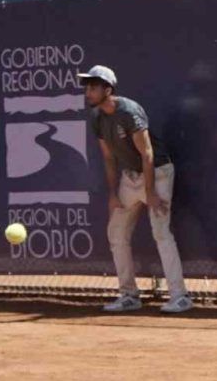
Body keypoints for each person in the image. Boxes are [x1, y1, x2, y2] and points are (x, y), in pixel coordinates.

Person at [78, 65, 193, 314]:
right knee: (116, 233)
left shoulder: (129, 111)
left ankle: (180, 296)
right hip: (129, 179)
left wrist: (150, 191)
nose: (88, 91)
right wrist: (112, 194)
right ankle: (129, 295)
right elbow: (108, 158)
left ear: (108, 89)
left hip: (158, 173)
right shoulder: (97, 117)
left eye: (93, 87)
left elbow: (147, 153)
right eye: (87, 87)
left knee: (161, 232)